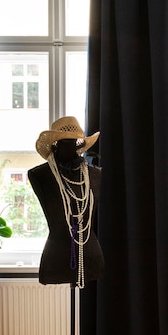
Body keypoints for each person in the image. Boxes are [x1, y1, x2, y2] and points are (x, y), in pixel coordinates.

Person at [28, 116, 104, 287]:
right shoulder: (41, 175)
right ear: (55, 144)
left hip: (90, 253)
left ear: (79, 143)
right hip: (57, 256)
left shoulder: (95, 175)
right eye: (65, 142)